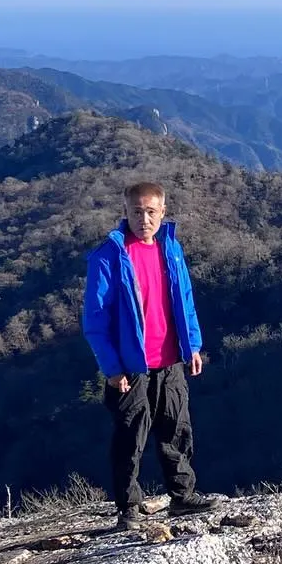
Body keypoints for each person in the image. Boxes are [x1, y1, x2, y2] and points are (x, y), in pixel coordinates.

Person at [81, 181, 209, 529]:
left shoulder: (171, 249)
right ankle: (128, 508)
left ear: (162, 212)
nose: (144, 219)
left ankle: (182, 496)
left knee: (176, 430)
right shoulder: (108, 256)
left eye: (151, 211)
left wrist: (192, 346)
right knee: (130, 437)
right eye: (137, 212)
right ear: (126, 212)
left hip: (170, 361)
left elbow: (184, 300)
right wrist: (111, 367)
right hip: (131, 367)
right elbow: (95, 320)